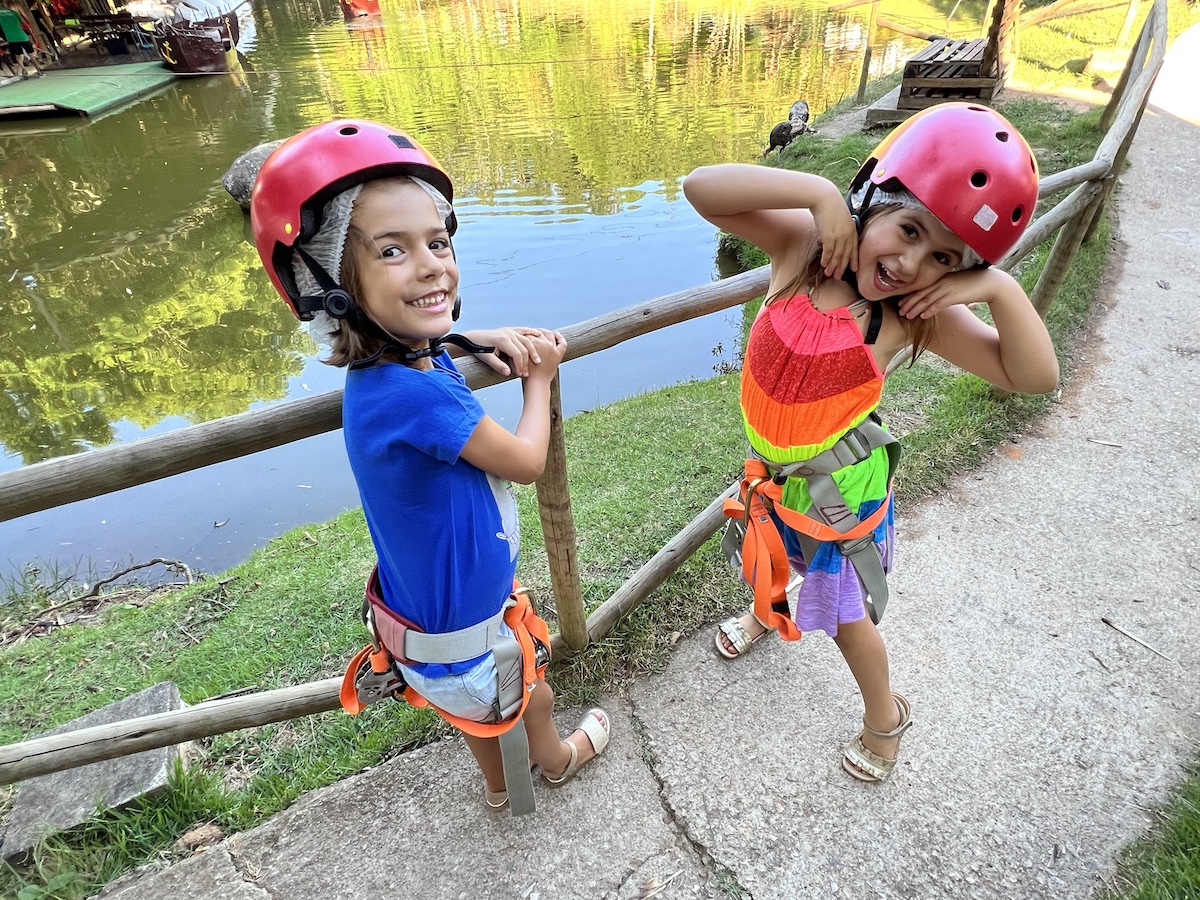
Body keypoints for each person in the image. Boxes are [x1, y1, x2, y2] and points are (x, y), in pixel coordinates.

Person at [682, 102, 1059, 783]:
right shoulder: (802, 251)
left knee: (848, 621)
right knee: (776, 558)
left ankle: (885, 717)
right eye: (907, 228)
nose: (910, 262)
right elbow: (701, 187)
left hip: (840, 504)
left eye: (942, 257)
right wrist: (817, 193)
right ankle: (768, 614)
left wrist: (995, 288)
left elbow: (1034, 376)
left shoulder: (914, 318)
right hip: (776, 481)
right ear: (869, 199)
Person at [250, 119, 610, 815]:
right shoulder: (413, 394)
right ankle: (543, 770)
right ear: (327, 285)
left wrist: (476, 335)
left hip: (438, 624)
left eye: (437, 242)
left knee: (497, 711)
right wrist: (539, 376)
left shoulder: (394, 365)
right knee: (526, 702)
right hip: (462, 637)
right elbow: (528, 462)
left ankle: (506, 786)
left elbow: (431, 343)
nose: (431, 265)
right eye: (392, 251)